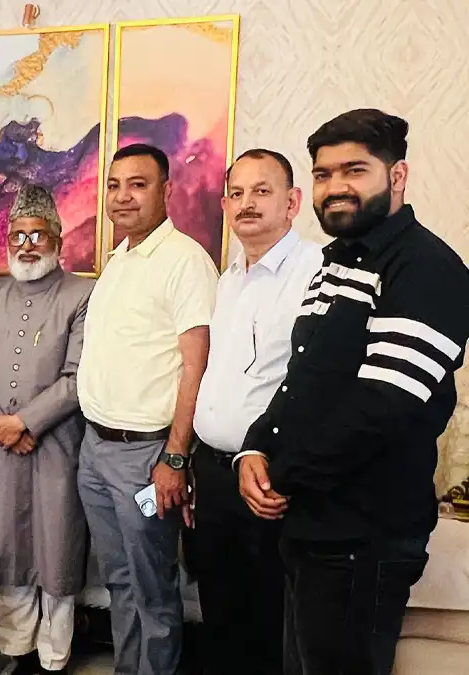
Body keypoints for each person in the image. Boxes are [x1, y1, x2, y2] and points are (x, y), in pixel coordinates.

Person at [237, 109, 469, 675]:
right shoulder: (339, 260)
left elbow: (383, 408)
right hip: (312, 524)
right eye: (323, 174)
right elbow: (302, 379)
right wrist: (255, 446)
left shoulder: (427, 267)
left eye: (354, 170)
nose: (335, 186)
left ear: (397, 175)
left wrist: (282, 476)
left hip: (365, 535)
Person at [76, 143, 218, 675]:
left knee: (153, 588)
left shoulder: (185, 261)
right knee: (119, 581)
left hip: (146, 455)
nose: (123, 196)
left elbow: (196, 368)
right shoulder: (119, 259)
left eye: (138, 184)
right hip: (96, 448)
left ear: (167, 191)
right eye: (114, 185)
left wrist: (175, 457)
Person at [188, 149, 322, 675]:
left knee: (270, 620)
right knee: (220, 612)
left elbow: (318, 384)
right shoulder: (229, 279)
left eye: (262, 191)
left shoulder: (316, 273)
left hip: (269, 475)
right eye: (237, 193)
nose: (247, 203)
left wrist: (282, 462)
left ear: (293, 202)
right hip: (214, 473)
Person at [0, 185, 93, 675]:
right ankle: (15, 653)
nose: (27, 245)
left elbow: (78, 377)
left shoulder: (82, 293)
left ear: (58, 239)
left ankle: (54, 658)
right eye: (18, 235)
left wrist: (25, 423)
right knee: (8, 551)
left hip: (55, 445)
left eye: (38, 235)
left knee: (56, 550)